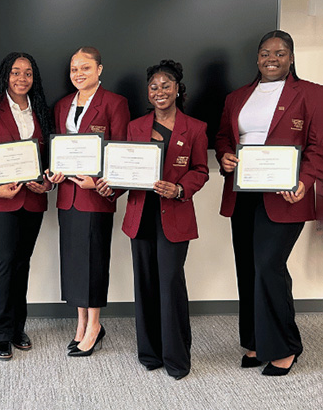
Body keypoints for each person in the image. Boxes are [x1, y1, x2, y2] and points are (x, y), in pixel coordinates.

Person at [215, 30, 322, 376]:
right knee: (247, 267)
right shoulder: (237, 97)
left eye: (279, 53)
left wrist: (304, 183)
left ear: (290, 57)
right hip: (243, 193)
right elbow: (223, 138)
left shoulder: (312, 94)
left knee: (268, 266)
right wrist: (226, 157)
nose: (271, 59)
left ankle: (285, 346)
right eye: (264, 53)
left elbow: (319, 148)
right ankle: (256, 341)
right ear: (257, 58)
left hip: (285, 195)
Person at [97, 60, 208, 379]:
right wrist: (110, 186)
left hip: (175, 216)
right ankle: (149, 353)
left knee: (170, 284)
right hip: (141, 217)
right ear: (148, 93)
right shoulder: (135, 127)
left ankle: (177, 359)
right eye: (154, 87)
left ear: (177, 89)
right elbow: (125, 171)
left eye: (166, 85)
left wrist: (179, 188)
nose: (159, 91)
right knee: (144, 285)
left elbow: (201, 171)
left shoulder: (195, 128)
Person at [47, 47, 130, 356]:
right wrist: (54, 172)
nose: (78, 74)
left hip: (95, 195)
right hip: (67, 195)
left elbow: (120, 150)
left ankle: (94, 324)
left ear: (99, 69)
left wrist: (102, 184)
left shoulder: (115, 103)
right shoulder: (62, 105)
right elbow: (59, 148)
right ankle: (80, 321)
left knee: (93, 261)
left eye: (85, 67)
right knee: (73, 262)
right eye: (73, 69)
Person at [0, 52, 53, 360]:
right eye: (16, 72)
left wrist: (49, 183)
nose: (22, 78)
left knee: (23, 263)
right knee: (5, 262)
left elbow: (51, 158)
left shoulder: (42, 111)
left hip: (33, 198)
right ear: (6, 75)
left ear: (34, 78)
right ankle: (1, 333)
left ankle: (19, 327)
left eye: (28, 73)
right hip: (0, 201)